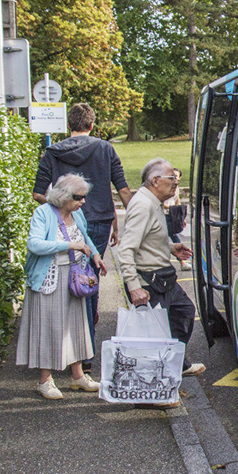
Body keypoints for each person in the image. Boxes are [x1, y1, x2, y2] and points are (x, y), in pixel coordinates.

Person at [32, 103, 132, 371]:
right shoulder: (105, 148)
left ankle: (64, 352)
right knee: (86, 285)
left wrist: (63, 206)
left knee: (62, 286)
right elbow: (122, 189)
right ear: (91, 126)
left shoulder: (53, 151)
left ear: (69, 126)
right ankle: (84, 356)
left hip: (62, 223)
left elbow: (38, 192)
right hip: (98, 222)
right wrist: (123, 223)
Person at [16, 174, 108, 399]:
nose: (83, 201)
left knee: (76, 326)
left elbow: (85, 236)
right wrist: (69, 244)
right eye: (79, 197)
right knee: (48, 328)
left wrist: (95, 254)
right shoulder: (43, 213)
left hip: (74, 277)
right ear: (63, 196)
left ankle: (78, 377)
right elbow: (34, 244)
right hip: (49, 277)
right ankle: (45, 380)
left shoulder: (77, 213)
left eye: (84, 197)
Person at [117, 158, 205, 386]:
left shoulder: (153, 202)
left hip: (163, 277)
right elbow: (125, 249)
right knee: (153, 339)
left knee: (184, 312)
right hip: (148, 281)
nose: (176, 183)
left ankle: (174, 363)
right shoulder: (143, 205)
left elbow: (149, 236)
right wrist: (134, 287)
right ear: (155, 181)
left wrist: (171, 247)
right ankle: (153, 391)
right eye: (171, 179)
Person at [163, 168, 190, 271]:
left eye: (176, 176)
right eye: (172, 175)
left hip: (172, 216)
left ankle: (182, 261)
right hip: (164, 215)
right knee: (172, 237)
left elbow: (177, 201)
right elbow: (161, 201)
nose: (174, 178)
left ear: (180, 178)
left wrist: (181, 216)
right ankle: (182, 261)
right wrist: (170, 208)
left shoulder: (176, 188)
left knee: (173, 237)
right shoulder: (165, 187)